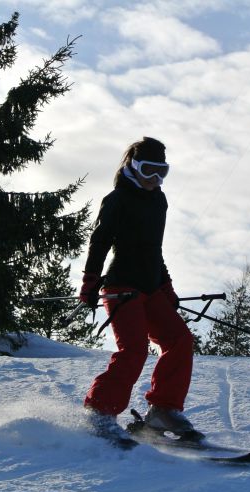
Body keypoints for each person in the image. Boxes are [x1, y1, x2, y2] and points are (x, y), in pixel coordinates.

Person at [79, 136, 197, 446]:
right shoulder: (117, 199)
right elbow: (99, 244)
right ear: (132, 167)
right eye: (149, 170)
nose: (155, 179)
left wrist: (166, 286)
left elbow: (153, 250)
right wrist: (90, 282)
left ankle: (163, 410)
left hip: (150, 286)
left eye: (162, 172)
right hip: (121, 287)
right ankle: (100, 413)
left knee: (179, 340)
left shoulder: (159, 201)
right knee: (133, 350)